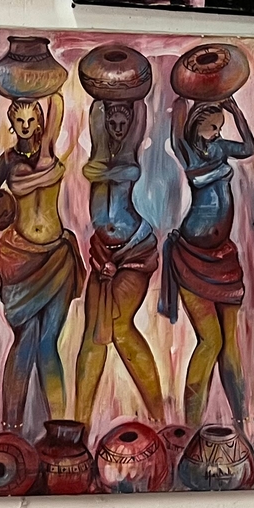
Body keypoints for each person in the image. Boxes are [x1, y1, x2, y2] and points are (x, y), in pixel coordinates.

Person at [0, 91, 81, 426]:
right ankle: (11, 426)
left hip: (56, 257)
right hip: (19, 259)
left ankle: (59, 426)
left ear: (39, 123)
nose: (25, 125)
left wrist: (41, 83)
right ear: (11, 123)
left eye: (31, 119)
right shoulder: (7, 161)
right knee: (24, 340)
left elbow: (58, 104)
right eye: (19, 120)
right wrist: (0, 211)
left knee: (48, 343)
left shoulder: (48, 149)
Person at [162, 93, 254, 425]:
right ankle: (190, 428)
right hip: (193, 255)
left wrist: (235, 109)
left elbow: (249, 148)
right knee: (210, 341)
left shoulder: (220, 148)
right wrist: (188, 91)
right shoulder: (187, 150)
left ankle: (241, 423)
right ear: (196, 125)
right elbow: (176, 126)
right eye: (212, 127)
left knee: (230, 346)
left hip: (223, 257)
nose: (217, 133)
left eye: (220, 127)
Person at [74, 87, 164, 424]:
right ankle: (79, 425)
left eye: (123, 122)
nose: (117, 127)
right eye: (112, 121)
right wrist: (103, 98)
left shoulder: (130, 151)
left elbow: (138, 107)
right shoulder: (99, 148)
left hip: (133, 250)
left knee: (120, 327)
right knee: (92, 336)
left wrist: (128, 90)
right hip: (103, 251)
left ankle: (158, 417)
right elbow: (97, 111)